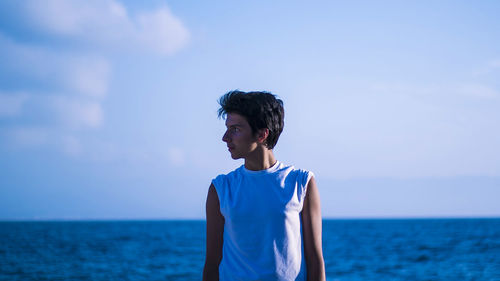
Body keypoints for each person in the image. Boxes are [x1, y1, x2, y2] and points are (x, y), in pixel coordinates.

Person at [203, 90, 325, 281]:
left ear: (262, 134)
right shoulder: (221, 188)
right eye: (227, 128)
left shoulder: (301, 183)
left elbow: (315, 260)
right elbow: (212, 263)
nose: (225, 137)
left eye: (235, 129)